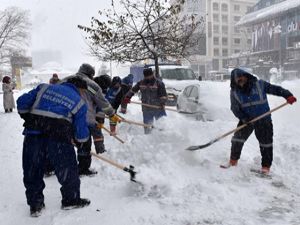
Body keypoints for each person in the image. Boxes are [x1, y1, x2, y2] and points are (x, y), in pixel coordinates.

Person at [17, 77, 91, 217]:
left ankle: (35, 204)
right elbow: (81, 134)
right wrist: (80, 141)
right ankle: (71, 200)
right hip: (59, 139)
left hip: (34, 134)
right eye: (83, 92)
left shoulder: (44, 88)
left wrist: (32, 118)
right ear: (79, 89)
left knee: (32, 168)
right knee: (67, 169)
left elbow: (21, 103)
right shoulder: (79, 102)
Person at [227, 68, 297, 174]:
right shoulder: (234, 92)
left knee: (266, 144)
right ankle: (233, 161)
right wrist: (244, 119)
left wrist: (288, 95)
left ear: (246, 76)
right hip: (247, 119)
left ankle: (265, 167)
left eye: (241, 77)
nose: (239, 80)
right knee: (237, 140)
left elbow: (275, 89)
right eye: (237, 78)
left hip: (263, 119)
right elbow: (235, 108)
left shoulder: (259, 84)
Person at [65, 64, 121, 176]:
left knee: (64, 143)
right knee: (84, 143)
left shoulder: (65, 80)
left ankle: (61, 167)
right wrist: (111, 114)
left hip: (64, 118)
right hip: (84, 118)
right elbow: (103, 103)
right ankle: (83, 168)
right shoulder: (92, 85)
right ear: (91, 74)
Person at [123, 68, 167, 134]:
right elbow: (132, 90)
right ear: (144, 76)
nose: (148, 77)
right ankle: (148, 139)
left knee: (161, 125)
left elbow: (163, 95)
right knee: (147, 126)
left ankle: (162, 137)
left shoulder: (159, 83)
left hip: (158, 107)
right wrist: (127, 97)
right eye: (146, 76)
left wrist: (163, 103)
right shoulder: (141, 83)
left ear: (152, 75)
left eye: (149, 76)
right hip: (146, 108)